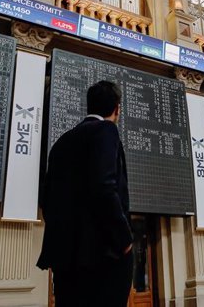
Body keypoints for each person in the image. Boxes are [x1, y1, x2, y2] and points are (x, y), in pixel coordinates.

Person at [37, 80, 133, 307]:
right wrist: (124, 239)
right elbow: (104, 187)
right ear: (117, 109)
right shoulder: (106, 130)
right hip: (103, 257)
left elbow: (47, 199)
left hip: (66, 260)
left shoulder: (62, 142)